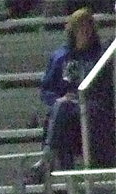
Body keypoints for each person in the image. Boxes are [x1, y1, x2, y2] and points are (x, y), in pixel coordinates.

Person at [28, 7, 115, 181]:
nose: (84, 32)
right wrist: (58, 99)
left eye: (88, 27)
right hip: (66, 110)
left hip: (92, 109)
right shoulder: (60, 57)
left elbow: (105, 90)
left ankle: (47, 158)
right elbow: (46, 90)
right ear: (72, 30)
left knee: (62, 112)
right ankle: (61, 169)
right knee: (61, 109)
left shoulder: (100, 56)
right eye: (80, 27)